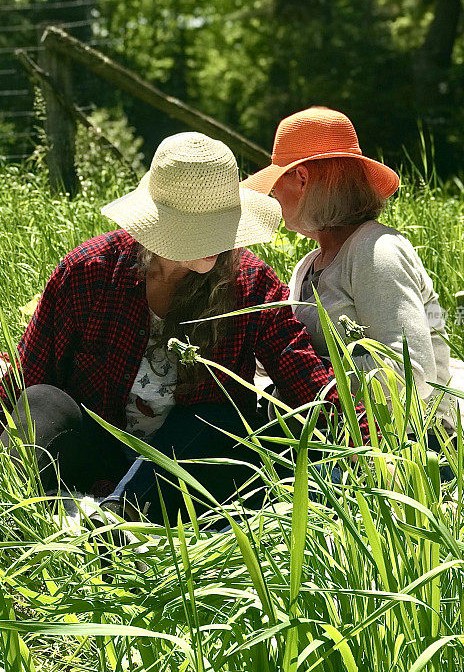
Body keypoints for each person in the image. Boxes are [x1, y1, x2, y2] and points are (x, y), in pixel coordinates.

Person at [0, 131, 369, 524]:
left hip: (185, 469)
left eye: (221, 225)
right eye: (199, 230)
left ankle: (115, 519)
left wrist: (377, 451)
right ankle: (29, 512)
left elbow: (307, 378)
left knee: (218, 417)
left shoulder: (250, 283)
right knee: (40, 401)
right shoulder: (89, 271)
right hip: (98, 450)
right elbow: (27, 381)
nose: (217, 242)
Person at [241, 107, 452, 433]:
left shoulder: (378, 251)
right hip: (337, 436)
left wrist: (306, 375)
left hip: (411, 450)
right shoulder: (309, 264)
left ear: (301, 179)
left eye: (276, 181)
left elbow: (413, 376)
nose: (272, 194)